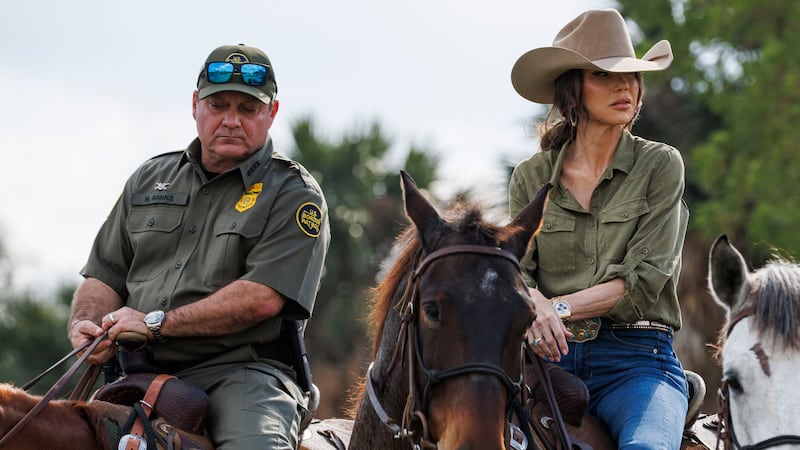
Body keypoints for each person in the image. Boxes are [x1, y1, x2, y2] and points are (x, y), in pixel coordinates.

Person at [67, 43, 330, 450]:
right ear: (195, 105)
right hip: (133, 372)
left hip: (240, 375)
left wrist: (154, 323)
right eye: (218, 104)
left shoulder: (294, 195)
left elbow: (260, 299)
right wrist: (84, 325)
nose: (231, 120)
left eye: (248, 109)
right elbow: (103, 274)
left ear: (271, 113)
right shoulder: (147, 179)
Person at [508, 9, 689, 449]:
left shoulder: (660, 165)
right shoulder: (530, 177)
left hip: (638, 362)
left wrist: (556, 309)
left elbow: (642, 281)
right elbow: (514, 269)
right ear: (572, 87)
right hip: (547, 365)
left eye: (631, 75)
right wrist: (533, 302)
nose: (624, 86)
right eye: (604, 75)